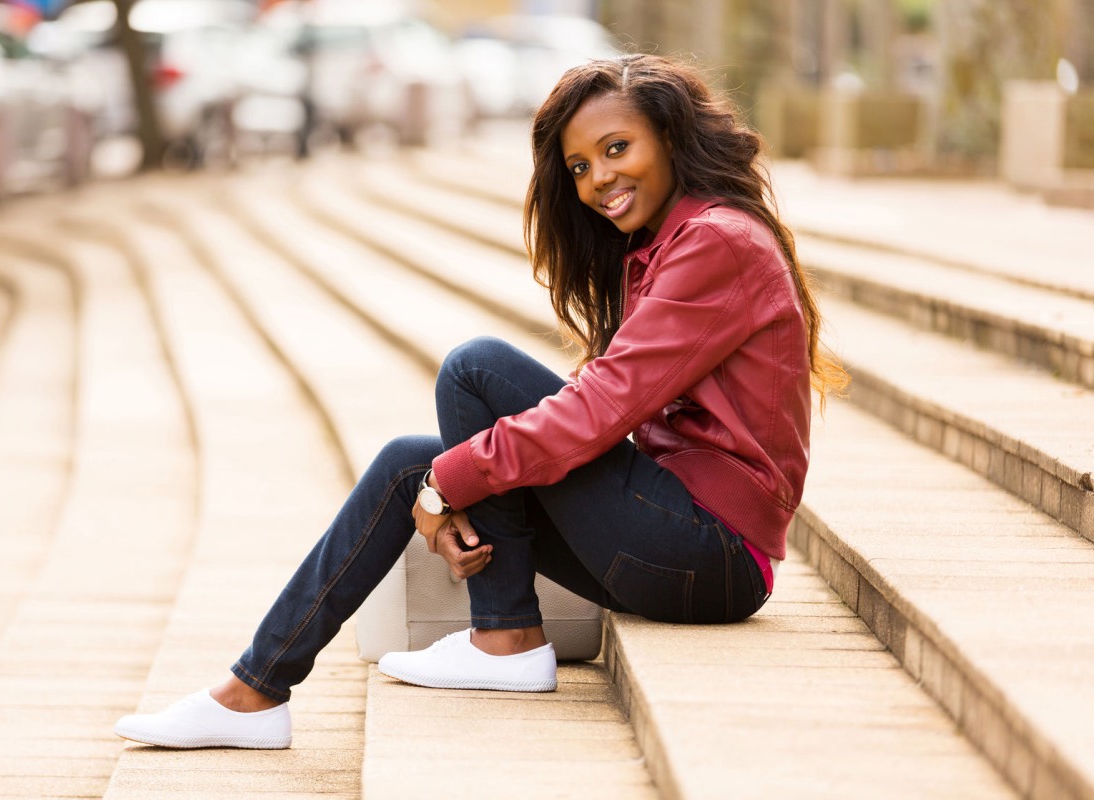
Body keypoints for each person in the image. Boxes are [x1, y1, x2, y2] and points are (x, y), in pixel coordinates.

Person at [113, 53, 848, 750]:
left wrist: (452, 485)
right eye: (581, 167)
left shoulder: (716, 243)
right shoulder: (663, 246)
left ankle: (504, 636)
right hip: (676, 540)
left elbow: (600, 409)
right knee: (410, 461)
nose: (599, 180)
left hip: (712, 551)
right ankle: (255, 690)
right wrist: (438, 479)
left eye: (618, 148)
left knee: (476, 373)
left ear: (670, 135)